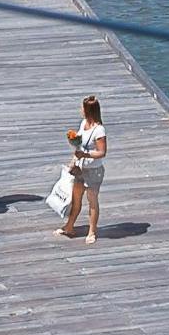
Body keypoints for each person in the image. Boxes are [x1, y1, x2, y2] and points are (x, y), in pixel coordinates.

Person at [61, 95, 109, 242]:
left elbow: (102, 152)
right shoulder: (83, 124)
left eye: (82, 108)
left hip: (94, 171)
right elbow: (80, 143)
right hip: (80, 169)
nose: (80, 110)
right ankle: (69, 226)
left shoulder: (99, 130)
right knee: (76, 199)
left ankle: (92, 232)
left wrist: (86, 154)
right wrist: (74, 158)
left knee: (92, 200)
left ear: (88, 111)